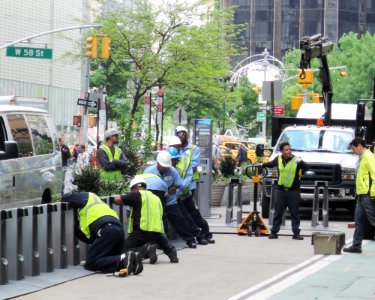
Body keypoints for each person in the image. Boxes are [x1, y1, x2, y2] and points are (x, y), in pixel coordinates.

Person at [61, 192, 143, 275]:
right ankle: (131, 260)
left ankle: (123, 257)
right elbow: (91, 239)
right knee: (108, 259)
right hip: (118, 230)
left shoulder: (87, 196)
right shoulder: (101, 205)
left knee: (91, 263)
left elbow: (66, 198)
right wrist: (77, 230)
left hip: (106, 229)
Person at [114, 177, 179, 264]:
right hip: (156, 230)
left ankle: (146, 250)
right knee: (163, 242)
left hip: (141, 230)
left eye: (132, 189)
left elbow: (117, 200)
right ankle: (173, 256)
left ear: (136, 188)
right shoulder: (155, 197)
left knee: (123, 251)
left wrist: (126, 196)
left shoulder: (137, 194)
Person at [143, 150, 198, 248]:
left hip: (170, 201)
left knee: (180, 220)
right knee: (159, 222)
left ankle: (190, 239)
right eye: (163, 166)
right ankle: (161, 243)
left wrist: (169, 190)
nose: (164, 168)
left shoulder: (172, 171)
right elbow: (143, 185)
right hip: (155, 203)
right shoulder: (148, 171)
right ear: (158, 162)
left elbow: (178, 184)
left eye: (166, 166)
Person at [174, 129, 215, 244]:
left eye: (183, 133)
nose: (181, 136)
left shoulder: (193, 149)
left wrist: (181, 184)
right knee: (187, 213)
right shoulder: (174, 153)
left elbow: (193, 165)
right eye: (178, 134)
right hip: (177, 189)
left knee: (191, 212)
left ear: (187, 135)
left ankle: (204, 232)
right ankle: (198, 234)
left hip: (188, 185)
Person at [262, 142, 308, 240]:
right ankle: (274, 232)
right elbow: (270, 164)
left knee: (294, 213)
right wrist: (262, 165)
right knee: (278, 212)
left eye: (290, 149)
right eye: (286, 149)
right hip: (281, 190)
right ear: (282, 151)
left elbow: (306, 168)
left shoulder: (296, 160)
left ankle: (296, 233)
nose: (289, 151)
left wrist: (301, 166)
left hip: (294, 191)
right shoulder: (278, 159)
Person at [343, 137, 375, 253]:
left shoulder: (369, 157)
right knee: (359, 220)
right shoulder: (362, 158)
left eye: (353, 148)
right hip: (362, 194)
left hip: (367, 194)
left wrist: (373, 192)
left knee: (373, 219)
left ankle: (356, 245)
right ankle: (356, 245)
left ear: (359, 146)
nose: (353, 151)